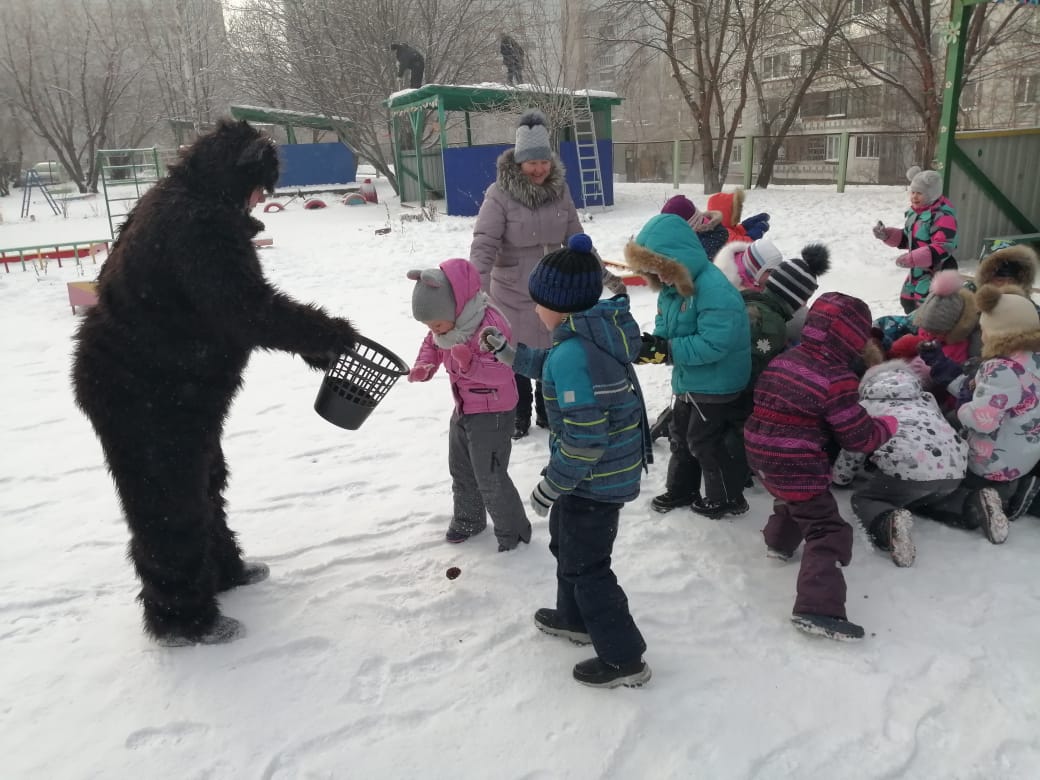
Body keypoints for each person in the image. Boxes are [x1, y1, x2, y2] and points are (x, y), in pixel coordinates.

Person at [71, 120, 360, 647]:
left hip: (173, 377)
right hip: (135, 385)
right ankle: (178, 616)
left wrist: (311, 344)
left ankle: (221, 567)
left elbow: (219, 304)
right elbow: (246, 310)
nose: (257, 201)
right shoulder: (197, 222)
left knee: (203, 473)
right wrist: (327, 336)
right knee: (167, 500)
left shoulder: (179, 199)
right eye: (258, 189)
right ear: (238, 176)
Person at [478, 233, 653, 688]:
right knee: (567, 545)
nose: (535, 310)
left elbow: (584, 440)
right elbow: (549, 364)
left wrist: (551, 486)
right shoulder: (587, 334)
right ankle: (575, 620)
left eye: (539, 303)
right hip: (595, 477)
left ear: (560, 305)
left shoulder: (575, 352)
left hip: (594, 480)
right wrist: (508, 352)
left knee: (587, 566)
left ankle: (624, 658)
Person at [744, 292, 896, 641]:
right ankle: (817, 607)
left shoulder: (785, 359)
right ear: (853, 340)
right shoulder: (836, 377)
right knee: (828, 529)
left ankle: (778, 542)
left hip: (759, 448)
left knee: (793, 496)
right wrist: (886, 426)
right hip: (794, 458)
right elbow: (857, 437)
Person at [624, 213, 752, 518]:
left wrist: (667, 350)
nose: (661, 277)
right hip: (691, 379)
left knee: (704, 443)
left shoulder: (714, 290)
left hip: (717, 382)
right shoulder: (671, 291)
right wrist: (651, 346)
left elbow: (714, 343)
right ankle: (682, 489)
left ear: (680, 260)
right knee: (680, 436)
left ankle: (727, 497)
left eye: (664, 269)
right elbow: (665, 328)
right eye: (654, 272)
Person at [469, 110, 582, 439]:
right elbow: (485, 242)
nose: (539, 169)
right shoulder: (499, 194)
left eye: (543, 161)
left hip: (554, 288)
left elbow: (575, 236)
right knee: (516, 354)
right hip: (512, 289)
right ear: (519, 163)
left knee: (552, 351)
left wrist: (596, 270)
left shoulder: (560, 190)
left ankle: (548, 410)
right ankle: (519, 415)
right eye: (531, 163)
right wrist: (475, 286)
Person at [406, 259, 531, 551]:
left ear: (455, 307)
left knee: (490, 474)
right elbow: (433, 343)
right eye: (429, 325)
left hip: (494, 411)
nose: (433, 329)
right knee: (461, 469)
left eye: (435, 323)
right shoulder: (447, 325)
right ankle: (469, 520)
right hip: (465, 406)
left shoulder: (489, 328)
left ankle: (514, 532)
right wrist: (425, 364)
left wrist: (470, 364)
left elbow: (502, 373)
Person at [914, 284, 1040, 542]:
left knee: (936, 492)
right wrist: (939, 364)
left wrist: (961, 409)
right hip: (1026, 452)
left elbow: (981, 419)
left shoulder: (1001, 368)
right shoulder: (1032, 360)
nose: (981, 335)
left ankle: (983, 502)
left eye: (984, 329)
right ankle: (1015, 487)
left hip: (992, 460)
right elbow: (979, 392)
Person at [831, 359, 968, 568]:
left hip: (909, 473)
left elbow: (854, 446)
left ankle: (887, 523)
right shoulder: (926, 399)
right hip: (955, 471)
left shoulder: (867, 405)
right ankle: (972, 503)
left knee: (865, 498)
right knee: (927, 499)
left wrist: (840, 478)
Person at [872, 166, 958, 313]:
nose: (914, 197)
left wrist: (912, 258)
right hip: (918, 270)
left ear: (932, 194)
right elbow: (908, 239)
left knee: (928, 308)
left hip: (937, 271)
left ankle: (928, 333)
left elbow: (943, 247)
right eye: (912, 192)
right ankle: (914, 330)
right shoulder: (915, 214)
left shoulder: (943, 216)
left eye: (920, 193)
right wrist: (886, 235)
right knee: (908, 301)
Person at [706, 188, 771, 244]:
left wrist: (745, 226)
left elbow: (735, 232)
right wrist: (755, 234)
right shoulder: (721, 233)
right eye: (735, 213)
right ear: (726, 213)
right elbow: (741, 244)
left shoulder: (722, 228)